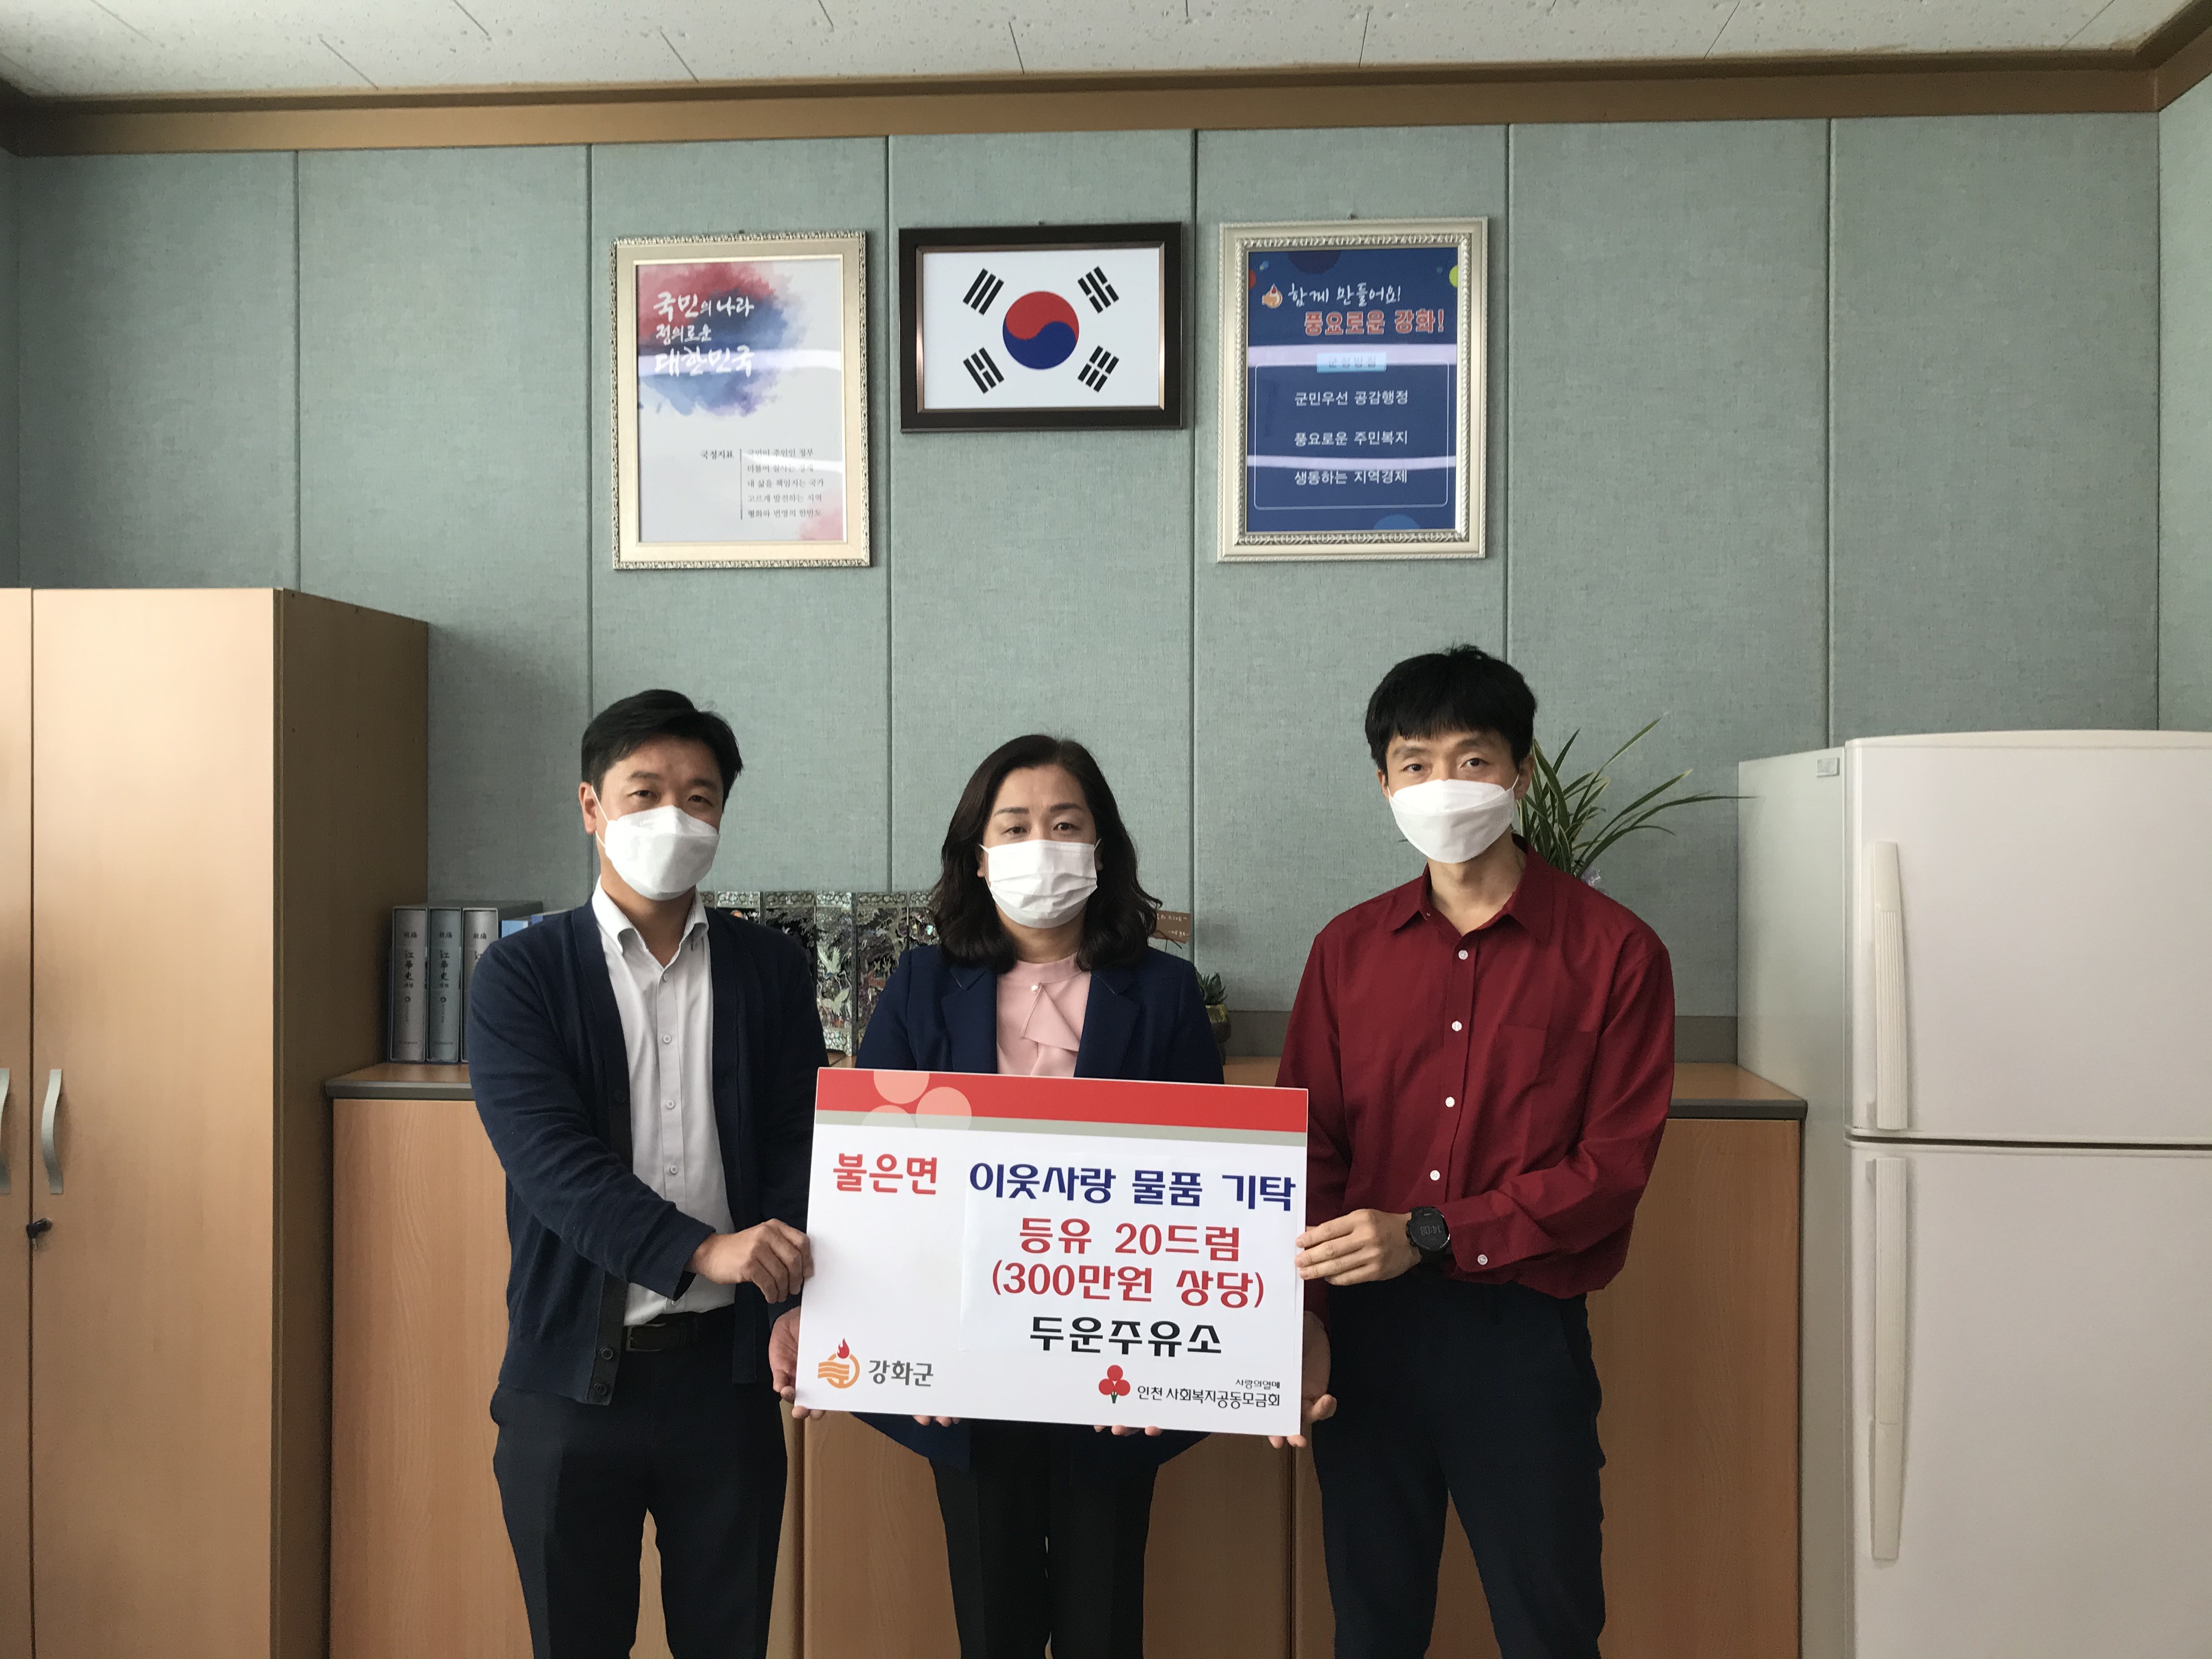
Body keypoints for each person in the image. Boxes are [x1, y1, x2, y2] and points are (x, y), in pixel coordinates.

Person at [1279, 646, 1675, 1659]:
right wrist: (1305, 1319)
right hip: (1364, 1337)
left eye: (1473, 759)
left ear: (1520, 772)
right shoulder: (1346, 951)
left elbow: (1610, 1172)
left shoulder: (1616, 953)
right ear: (1384, 785)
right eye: (1415, 764)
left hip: (1521, 1335)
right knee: (1373, 1627)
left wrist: (1430, 1232)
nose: (1443, 785)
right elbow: (1308, 1152)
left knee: (1550, 1627)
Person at [836, 733, 1221, 1659]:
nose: (1040, 844)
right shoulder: (922, 986)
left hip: (1113, 1366)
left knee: (1104, 1628)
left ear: (1102, 848)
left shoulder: (1165, 992)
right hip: (962, 1368)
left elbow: (1203, 1188)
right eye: (1014, 827)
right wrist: (906, 1349)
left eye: (1065, 824)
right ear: (978, 855)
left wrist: (1164, 1358)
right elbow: (876, 1181)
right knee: (993, 1626)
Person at [467, 689, 822, 1659]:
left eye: (700, 797)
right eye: (645, 792)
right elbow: (551, 1164)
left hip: (729, 1383)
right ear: (592, 806)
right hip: (570, 1385)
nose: (674, 816)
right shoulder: (520, 975)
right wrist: (703, 1249)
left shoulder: (770, 969)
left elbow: (798, 1145)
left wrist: (791, 1296)